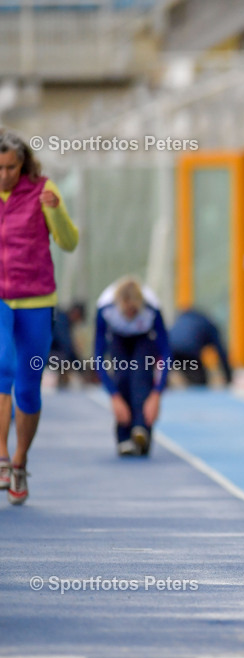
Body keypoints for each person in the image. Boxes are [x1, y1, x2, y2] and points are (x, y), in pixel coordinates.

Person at [0, 129, 79, 504]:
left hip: (35, 300)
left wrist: (55, 210)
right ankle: (1, 456)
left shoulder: (44, 189)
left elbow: (68, 242)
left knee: (28, 388)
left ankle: (19, 461)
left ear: (23, 163)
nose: (4, 177)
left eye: (10, 168)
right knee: (2, 368)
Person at [94, 277, 171, 457]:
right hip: (118, 338)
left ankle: (141, 429)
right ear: (118, 306)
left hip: (144, 338)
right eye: (126, 312)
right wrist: (113, 396)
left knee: (141, 374)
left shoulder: (151, 309)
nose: (130, 315)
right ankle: (124, 436)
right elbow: (98, 355)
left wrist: (157, 393)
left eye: (134, 311)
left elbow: (166, 353)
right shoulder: (106, 309)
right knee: (122, 375)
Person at [168, 309, 233, 387]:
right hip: (189, 353)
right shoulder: (209, 326)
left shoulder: (181, 319)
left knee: (167, 376)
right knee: (199, 383)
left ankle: (165, 385)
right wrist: (228, 376)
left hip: (170, 350)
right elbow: (221, 352)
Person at [50, 302, 88, 388]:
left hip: (48, 350)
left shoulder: (62, 319)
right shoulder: (61, 321)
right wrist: (81, 368)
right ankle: (62, 384)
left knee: (65, 358)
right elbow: (67, 347)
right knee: (64, 359)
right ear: (76, 313)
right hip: (43, 352)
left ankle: (62, 382)